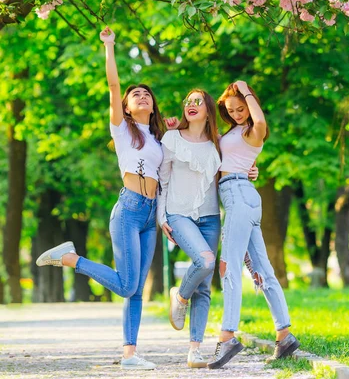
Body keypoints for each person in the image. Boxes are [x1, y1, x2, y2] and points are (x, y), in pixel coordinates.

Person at [36, 26, 164, 370]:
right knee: (126, 286)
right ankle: (71, 259)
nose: (141, 96)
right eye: (134, 94)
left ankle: (130, 355)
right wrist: (109, 46)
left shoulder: (159, 140)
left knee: (135, 290)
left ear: (153, 106)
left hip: (151, 216)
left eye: (146, 94)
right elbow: (113, 86)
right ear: (125, 106)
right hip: (128, 211)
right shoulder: (123, 130)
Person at [208, 80, 299, 370]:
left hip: (238, 195)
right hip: (240, 193)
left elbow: (260, 121)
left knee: (229, 266)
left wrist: (246, 90)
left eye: (241, 108)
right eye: (231, 109)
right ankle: (284, 335)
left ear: (249, 105)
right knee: (262, 271)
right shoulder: (233, 132)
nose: (237, 113)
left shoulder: (253, 129)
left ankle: (228, 335)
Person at [158, 89, 222, 368]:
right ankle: (180, 296)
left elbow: (234, 169)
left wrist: (251, 170)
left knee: (205, 288)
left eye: (198, 101)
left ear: (208, 110)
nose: (191, 105)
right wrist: (162, 216)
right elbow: (163, 180)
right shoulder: (171, 138)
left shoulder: (218, 144)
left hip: (210, 217)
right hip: (179, 214)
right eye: (187, 101)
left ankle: (194, 350)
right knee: (206, 260)